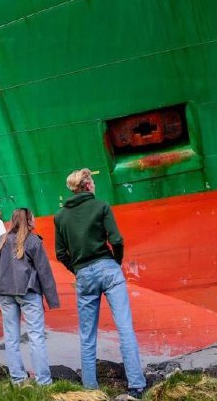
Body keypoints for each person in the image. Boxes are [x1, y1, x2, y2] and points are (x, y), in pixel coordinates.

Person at [54, 168, 146, 398]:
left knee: (87, 335)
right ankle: (136, 386)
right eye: (92, 182)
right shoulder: (101, 206)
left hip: (83, 274)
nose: (94, 185)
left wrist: (77, 269)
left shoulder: (60, 217)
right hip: (108, 268)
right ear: (86, 186)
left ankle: (90, 389)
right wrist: (115, 262)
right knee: (125, 328)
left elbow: (61, 253)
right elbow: (116, 239)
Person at [0, 208, 60, 385]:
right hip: (28, 293)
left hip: (6, 294)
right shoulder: (33, 241)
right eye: (33, 218)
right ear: (28, 221)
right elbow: (45, 272)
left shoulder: (2, 240)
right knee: (36, 337)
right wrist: (52, 300)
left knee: (11, 338)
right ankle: (43, 381)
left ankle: (18, 380)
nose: (35, 220)